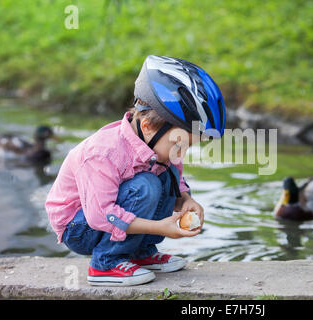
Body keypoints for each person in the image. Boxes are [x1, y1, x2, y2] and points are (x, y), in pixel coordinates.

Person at [45, 55, 226, 286]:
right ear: (148, 127)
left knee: (165, 174)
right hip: (80, 225)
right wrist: (161, 227)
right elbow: (100, 215)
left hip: (107, 215)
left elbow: (175, 182)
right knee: (146, 185)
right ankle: (106, 263)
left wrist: (185, 199)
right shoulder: (102, 153)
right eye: (179, 144)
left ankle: (141, 252)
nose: (181, 154)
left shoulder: (163, 149)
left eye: (188, 146)